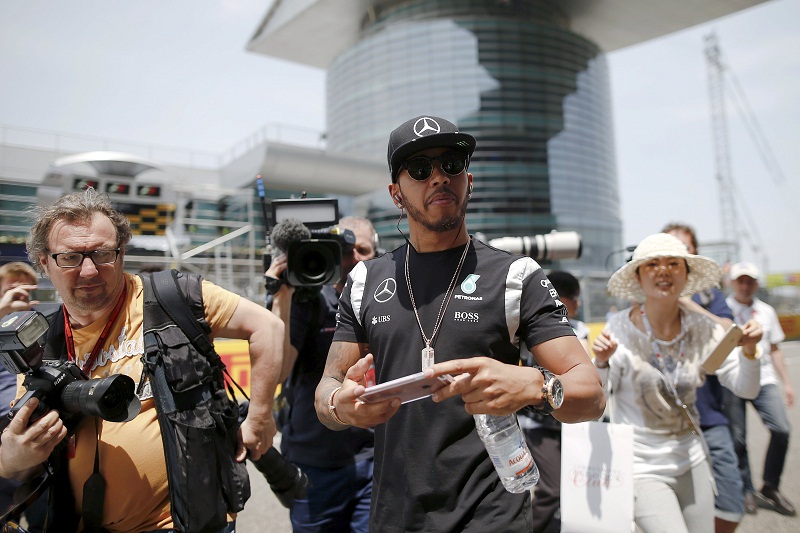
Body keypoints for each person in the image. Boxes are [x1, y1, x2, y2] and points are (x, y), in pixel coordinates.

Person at [315, 115, 606, 532]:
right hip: (395, 516)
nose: (438, 177)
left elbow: (592, 394)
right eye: (419, 169)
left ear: (469, 180)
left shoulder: (516, 276)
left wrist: (534, 386)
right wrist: (338, 407)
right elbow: (328, 386)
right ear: (397, 194)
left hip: (492, 514)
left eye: (451, 164)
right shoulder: (365, 280)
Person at [0, 188, 285, 532]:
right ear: (44, 262)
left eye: (102, 253)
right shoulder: (40, 337)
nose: (89, 270)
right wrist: (13, 460)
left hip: (189, 521)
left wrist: (260, 418)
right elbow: (26, 456)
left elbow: (268, 326)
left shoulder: (173, 296)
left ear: (122, 253)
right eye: (71, 258)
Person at [592, 232, 763, 533]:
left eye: (674, 263)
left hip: (692, 458)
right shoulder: (618, 330)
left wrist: (750, 350)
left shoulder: (703, 328)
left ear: (686, 275)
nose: (664, 270)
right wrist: (602, 362)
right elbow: (597, 400)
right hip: (642, 466)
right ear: (638, 276)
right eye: (652, 264)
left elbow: (745, 388)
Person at [265, 216, 377, 532]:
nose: (352, 257)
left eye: (362, 249)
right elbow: (279, 371)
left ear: (375, 256)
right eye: (342, 249)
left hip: (372, 459)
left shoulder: (386, 302)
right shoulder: (309, 300)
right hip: (313, 465)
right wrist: (282, 296)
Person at [663, 222, 746, 530]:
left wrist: (687, 305)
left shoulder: (710, 297)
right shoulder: (649, 299)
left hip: (710, 415)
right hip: (664, 425)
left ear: (693, 256)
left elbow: (730, 334)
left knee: (730, 501)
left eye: (684, 249)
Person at [519, 270, 591, 533]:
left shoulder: (580, 330)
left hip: (571, 425)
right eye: (575, 298)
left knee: (570, 486)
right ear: (560, 299)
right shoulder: (530, 329)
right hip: (538, 424)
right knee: (552, 488)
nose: (579, 304)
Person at [722, 261, 796, 516]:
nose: (745, 285)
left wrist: (786, 383)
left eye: (749, 281)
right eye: (740, 280)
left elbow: (775, 348)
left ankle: (771, 485)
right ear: (732, 283)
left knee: (782, 429)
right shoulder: (722, 310)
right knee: (738, 437)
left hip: (763, 376)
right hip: (733, 377)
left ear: (756, 284)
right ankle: (746, 489)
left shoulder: (766, 311)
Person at [0, 261, 48, 532]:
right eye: (11, 288)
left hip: (32, 429)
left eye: (25, 290)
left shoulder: (42, 326)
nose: (20, 294)